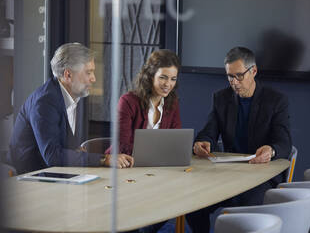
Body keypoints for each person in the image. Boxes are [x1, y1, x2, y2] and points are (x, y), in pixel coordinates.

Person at [187, 47, 292, 233]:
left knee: (245, 213)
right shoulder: (221, 98)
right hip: (228, 174)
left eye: (239, 76)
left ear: (254, 71)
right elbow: (209, 131)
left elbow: (284, 142)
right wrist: (201, 141)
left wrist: (271, 149)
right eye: (229, 76)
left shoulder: (276, 101)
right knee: (193, 207)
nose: (234, 83)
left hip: (261, 177)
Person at [7, 43, 133, 174]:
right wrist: (104, 159)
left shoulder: (72, 97)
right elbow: (53, 156)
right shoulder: (45, 102)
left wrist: (75, 153)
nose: (94, 78)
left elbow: (62, 147)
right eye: (88, 72)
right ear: (68, 75)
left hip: (56, 175)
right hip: (30, 179)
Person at [105, 49, 181, 156]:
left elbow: (176, 142)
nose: (168, 84)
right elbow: (122, 146)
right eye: (163, 78)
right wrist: (157, 152)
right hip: (125, 165)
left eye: (173, 79)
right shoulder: (127, 102)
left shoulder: (172, 103)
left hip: (155, 166)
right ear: (150, 76)